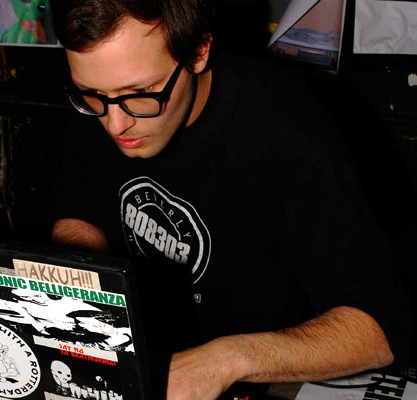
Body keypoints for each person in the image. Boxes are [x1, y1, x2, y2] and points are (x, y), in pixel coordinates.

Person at [48, 0, 413, 398]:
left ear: (198, 52)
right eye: (91, 94)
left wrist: (224, 361)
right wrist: (78, 285)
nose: (116, 124)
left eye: (140, 94)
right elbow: (80, 211)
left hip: (260, 376)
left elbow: (384, 325)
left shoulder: (288, 126)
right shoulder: (104, 102)